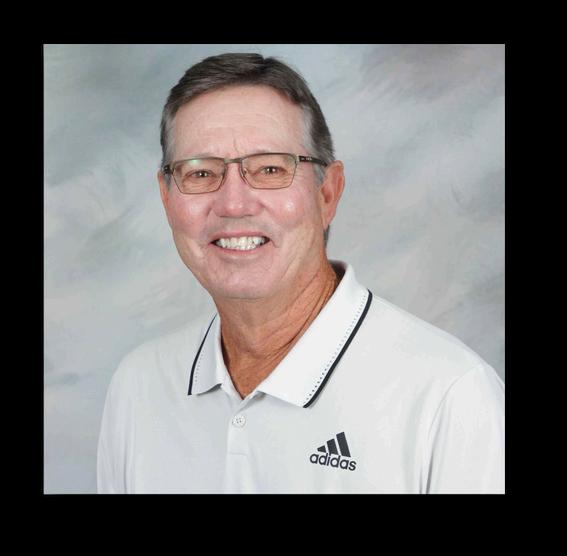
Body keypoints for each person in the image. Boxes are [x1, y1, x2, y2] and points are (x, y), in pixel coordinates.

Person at [97, 52, 505, 494]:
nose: (234, 204)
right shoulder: (138, 388)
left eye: (270, 168)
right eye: (200, 173)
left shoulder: (450, 398)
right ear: (167, 198)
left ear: (327, 193)